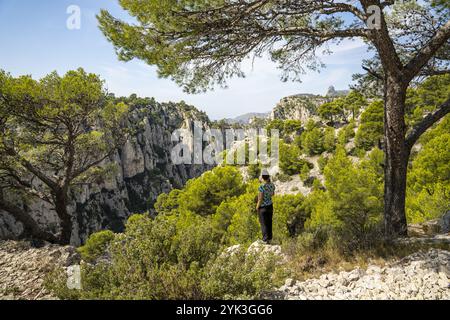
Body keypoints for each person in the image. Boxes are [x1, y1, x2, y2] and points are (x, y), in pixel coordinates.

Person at [256, 169, 275, 244]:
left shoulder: (261, 187)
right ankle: (269, 238)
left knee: (263, 224)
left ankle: (265, 240)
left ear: (262, 177)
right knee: (269, 222)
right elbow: (273, 194)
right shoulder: (272, 185)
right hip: (270, 206)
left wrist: (257, 207)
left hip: (263, 207)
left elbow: (260, 199)